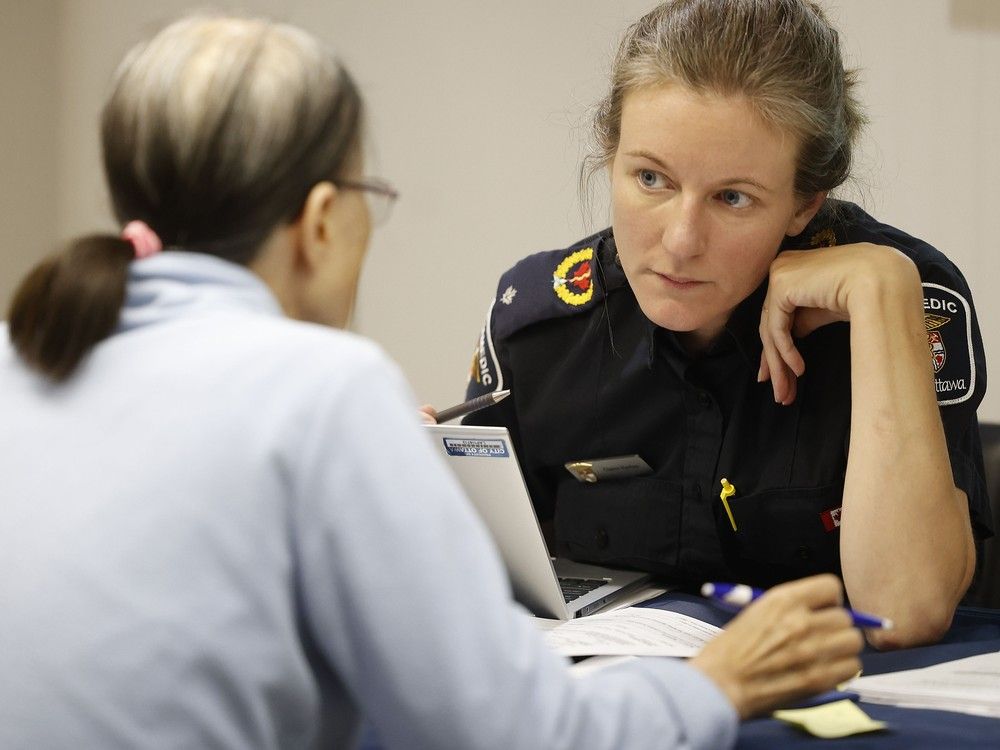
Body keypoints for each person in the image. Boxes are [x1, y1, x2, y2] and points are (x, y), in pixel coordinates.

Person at [0, 13, 863, 750]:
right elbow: (514, 732)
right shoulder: (328, 389)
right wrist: (718, 684)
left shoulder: (23, 348)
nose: (679, 239)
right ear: (322, 221)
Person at [457, 0, 993, 650]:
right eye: (651, 178)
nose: (681, 241)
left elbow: (905, 613)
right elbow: (463, 591)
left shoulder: (910, 296)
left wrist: (883, 293)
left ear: (805, 204)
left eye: (733, 197)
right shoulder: (538, 329)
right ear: (611, 157)